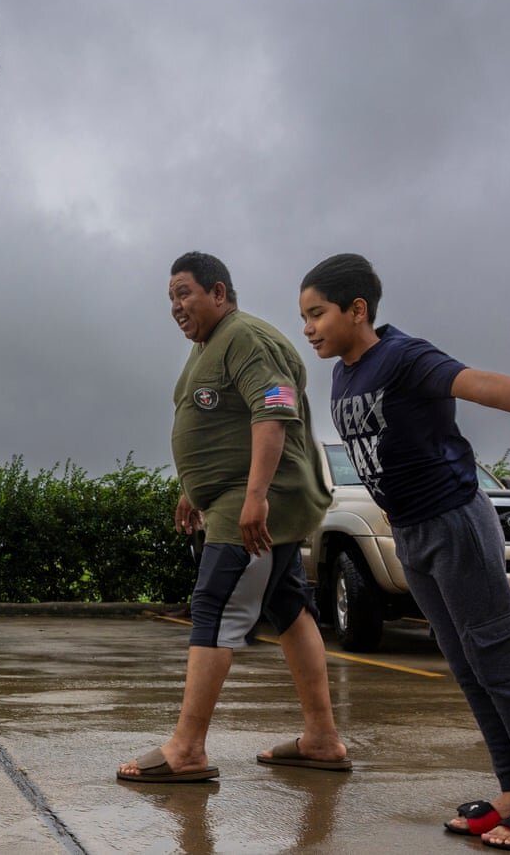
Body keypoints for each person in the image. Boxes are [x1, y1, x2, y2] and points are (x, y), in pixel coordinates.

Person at [298, 252, 510, 851]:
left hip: (455, 522)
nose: (309, 327)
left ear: (358, 310)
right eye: (303, 316)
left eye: (317, 313)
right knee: (466, 665)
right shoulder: (344, 375)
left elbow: (481, 385)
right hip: (412, 532)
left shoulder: (403, 356)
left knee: (500, 659)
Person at [117, 251, 350, 784]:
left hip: (256, 504)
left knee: (214, 606)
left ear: (218, 293)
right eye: (170, 297)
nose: (175, 306)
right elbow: (215, 423)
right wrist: (191, 489)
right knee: (289, 608)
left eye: (184, 293)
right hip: (228, 498)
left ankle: (188, 749)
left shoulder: (246, 337)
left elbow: (274, 408)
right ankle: (320, 739)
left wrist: (255, 497)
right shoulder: (208, 346)